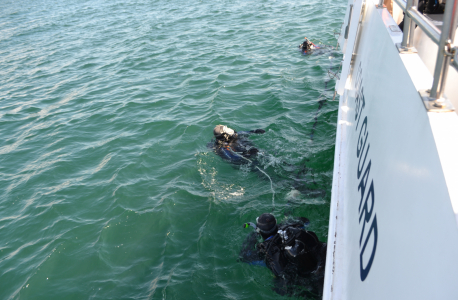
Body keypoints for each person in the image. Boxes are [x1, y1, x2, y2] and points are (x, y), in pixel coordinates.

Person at [239, 213, 327, 297]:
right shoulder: (290, 229)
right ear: (276, 222)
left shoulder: (265, 252)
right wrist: (285, 222)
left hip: (304, 280)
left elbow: (244, 256)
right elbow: (306, 221)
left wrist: (252, 237)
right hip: (320, 260)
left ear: (259, 230)